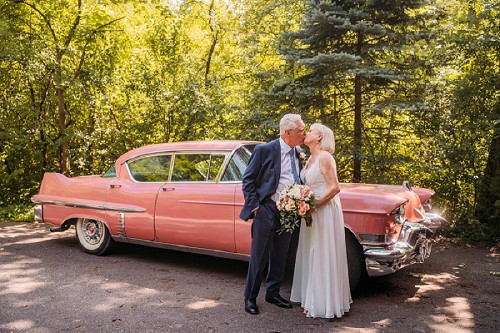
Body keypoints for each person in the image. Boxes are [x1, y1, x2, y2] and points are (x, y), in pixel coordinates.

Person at [240, 114, 306, 315]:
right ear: (288, 132)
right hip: (267, 209)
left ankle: (273, 293)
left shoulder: (298, 152)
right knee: (259, 257)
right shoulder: (265, 150)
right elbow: (248, 180)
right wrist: (255, 206)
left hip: (288, 213)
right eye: (301, 130)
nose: (304, 133)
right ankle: (250, 298)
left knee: (280, 255)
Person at [290, 123, 352, 318]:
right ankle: (311, 297)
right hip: (310, 210)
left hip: (323, 210)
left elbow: (335, 188)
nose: (307, 131)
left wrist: (314, 204)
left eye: (312, 129)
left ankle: (322, 302)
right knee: (311, 251)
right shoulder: (309, 158)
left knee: (321, 251)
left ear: (319, 137)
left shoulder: (326, 157)